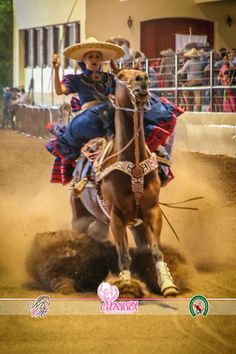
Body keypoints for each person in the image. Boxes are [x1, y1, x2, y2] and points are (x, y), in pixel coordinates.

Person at [46, 37, 183, 185]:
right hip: (89, 119)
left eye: (97, 56)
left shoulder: (110, 78)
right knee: (105, 112)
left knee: (139, 115)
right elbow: (60, 91)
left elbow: (120, 94)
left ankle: (157, 163)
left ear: (101, 60)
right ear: (84, 59)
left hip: (111, 112)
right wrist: (56, 69)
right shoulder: (76, 79)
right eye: (90, 56)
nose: (94, 59)